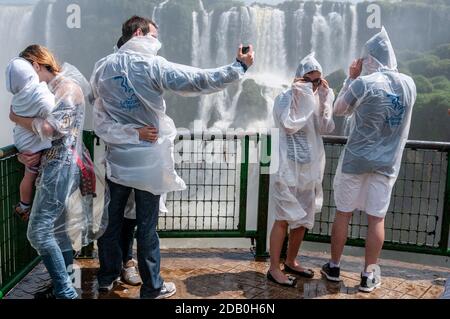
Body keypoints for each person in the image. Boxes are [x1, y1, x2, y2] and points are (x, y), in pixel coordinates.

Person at [91, 16, 254, 299]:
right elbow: (198, 80)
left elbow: (100, 117)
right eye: (154, 35)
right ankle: (152, 287)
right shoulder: (152, 65)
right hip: (148, 164)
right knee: (147, 227)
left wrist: (129, 131)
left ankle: (106, 276)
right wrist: (238, 66)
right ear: (139, 33)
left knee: (112, 220)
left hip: (117, 161)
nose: (157, 40)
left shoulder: (102, 68)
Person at [321, 27, 417, 293]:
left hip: (355, 161)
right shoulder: (410, 84)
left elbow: (340, 110)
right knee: (376, 219)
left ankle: (335, 267)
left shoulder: (364, 82)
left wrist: (350, 78)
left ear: (369, 59)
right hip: (386, 165)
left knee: (343, 214)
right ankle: (368, 275)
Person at [9, 45, 100, 299]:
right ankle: (63, 285)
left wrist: (16, 118)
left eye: (28, 71)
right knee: (58, 230)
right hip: (55, 164)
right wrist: (26, 153)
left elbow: (50, 129)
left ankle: (65, 291)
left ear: (37, 64)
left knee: (37, 232)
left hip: (60, 166)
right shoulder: (50, 90)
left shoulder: (66, 89)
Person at [267, 53, 335, 287]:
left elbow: (327, 128)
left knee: (304, 219)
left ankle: (291, 261)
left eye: (317, 82)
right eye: (308, 81)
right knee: (283, 219)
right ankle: (274, 268)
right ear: (298, 80)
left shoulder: (318, 98)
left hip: (310, 169)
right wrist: (304, 97)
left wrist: (325, 100)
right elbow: (288, 124)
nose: (313, 86)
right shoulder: (284, 98)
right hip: (287, 168)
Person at [5, 57, 55, 221]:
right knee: (30, 174)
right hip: (33, 145)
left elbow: (13, 114)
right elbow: (53, 116)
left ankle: (24, 205)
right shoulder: (37, 92)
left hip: (23, 140)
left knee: (29, 175)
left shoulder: (18, 97)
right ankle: (25, 206)